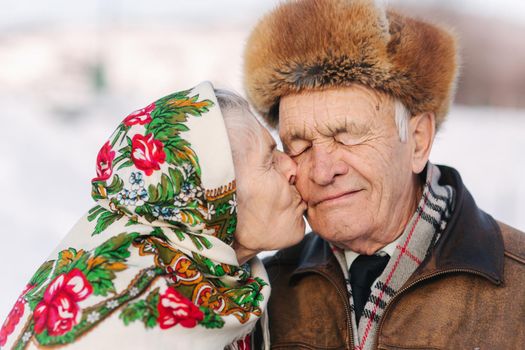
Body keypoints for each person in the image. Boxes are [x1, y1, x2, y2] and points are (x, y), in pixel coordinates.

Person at [243, 0, 525, 349]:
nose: (322, 171)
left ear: (418, 141)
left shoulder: (517, 284)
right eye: (299, 145)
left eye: (346, 136)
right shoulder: (261, 293)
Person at [0, 81, 306, 350]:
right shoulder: (124, 316)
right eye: (270, 160)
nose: (292, 167)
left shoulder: (224, 285)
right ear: (215, 198)